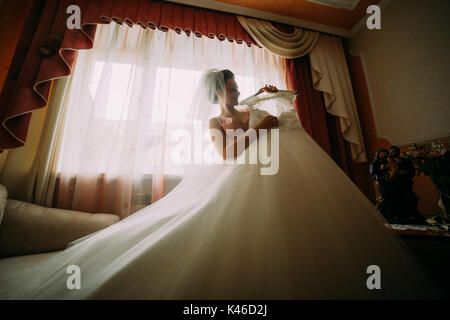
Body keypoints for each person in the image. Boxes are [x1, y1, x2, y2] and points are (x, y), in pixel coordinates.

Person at [3, 69, 446, 300]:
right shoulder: (215, 120)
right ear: (218, 94)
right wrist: (263, 127)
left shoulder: (251, 107)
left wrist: (270, 105)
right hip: (237, 177)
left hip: (275, 174)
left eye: (237, 89)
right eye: (231, 90)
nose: (236, 95)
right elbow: (229, 154)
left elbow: (277, 115)